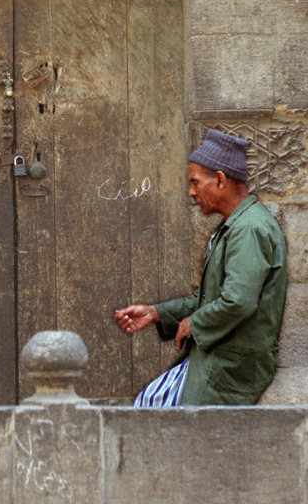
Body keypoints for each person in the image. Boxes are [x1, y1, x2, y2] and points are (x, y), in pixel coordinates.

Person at [115, 128, 287, 406]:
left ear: (219, 180)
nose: (191, 192)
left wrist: (195, 322)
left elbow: (238, 301)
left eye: (195, 182)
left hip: (229, 367)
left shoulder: (249, 228)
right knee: (149, 406)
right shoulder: (234, 227)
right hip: (215, 359)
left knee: (152, 411)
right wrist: (156, 313)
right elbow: (208, 298)